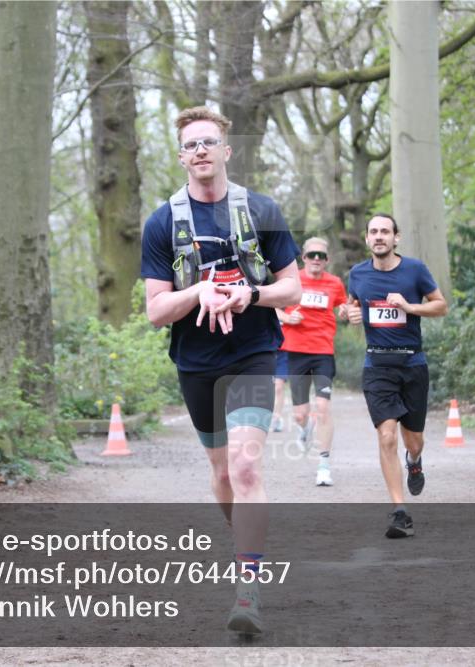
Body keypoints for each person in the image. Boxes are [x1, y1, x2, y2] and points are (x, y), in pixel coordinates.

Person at [140, 106, 301, 634]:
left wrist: (248, 294)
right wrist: (199, 292)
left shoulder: (262, 210)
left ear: (226, 151)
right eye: (191, 145)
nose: (201, 151)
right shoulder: (162, 222)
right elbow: (156, 310)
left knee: (246, 467)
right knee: (224, 475)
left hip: (252, 352)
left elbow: (292, 290)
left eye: (208, 142)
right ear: (181, 157)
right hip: (196, 362)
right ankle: (246, 546)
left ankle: (248, 590)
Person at [346, 214, 448, 538]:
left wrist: (410, 307)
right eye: (373, 232)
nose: (379, 237)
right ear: (367, 239)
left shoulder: (415, 270)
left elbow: (441, 306)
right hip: (377, 366)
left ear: (396, 238)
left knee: (413, 440)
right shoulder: (357, 274)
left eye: (385, 232)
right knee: (387, 436)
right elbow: (351, 305)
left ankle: (414, 461)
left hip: (412, 364)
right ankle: (399, 512)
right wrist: (348, 313)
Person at [276, 237, 347, 486]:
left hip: (323, 352)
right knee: (300, 414)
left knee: (323, 407)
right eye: (312, 255)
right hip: (296, 351)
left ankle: (324, 465)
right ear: (304, 258)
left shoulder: (335, 283)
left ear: (327, 260)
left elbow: (343, 306)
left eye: (321, 255)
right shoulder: (291, 280)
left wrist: (346, 311)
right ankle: (303, 428)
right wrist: (286, 318)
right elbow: (270, 305)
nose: (317, 259)